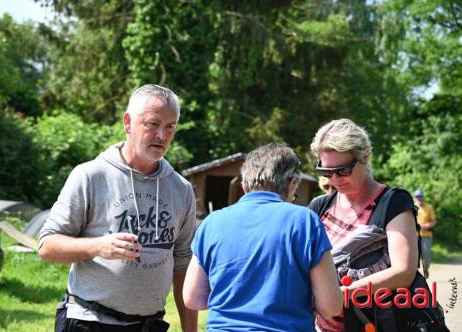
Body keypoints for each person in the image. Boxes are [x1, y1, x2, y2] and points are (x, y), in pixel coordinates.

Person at [39, 84, 198, 332]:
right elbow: (47, 246)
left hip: (149, 325)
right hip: (89, 321)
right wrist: (98, 246)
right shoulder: (90, 175)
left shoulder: (181, 188)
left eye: (170, 127)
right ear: (127, 123)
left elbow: (183, 266)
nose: (162, 136)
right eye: (153, 124)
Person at [183, 142, 343, 331]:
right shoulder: (305, 221)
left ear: (244, 186)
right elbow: (330, 306)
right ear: (292, 184)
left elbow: (193, 299)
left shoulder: (212, 222)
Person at [308, 119, 419, 332]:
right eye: (326, 172)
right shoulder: (319, 207)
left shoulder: (393, 203)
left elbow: (404, 271)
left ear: (365, 156)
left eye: (342, 170)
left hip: (376, 323)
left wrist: (337, 296)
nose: (334, 179)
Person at [413, 188, 436, 278]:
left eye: (420, 196)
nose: (419, 198)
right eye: (417, 197)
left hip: (426, 235)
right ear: (414, 198)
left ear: (423, 197)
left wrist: (426, 226)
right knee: (414, 256)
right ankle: (415, 275)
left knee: (426, 255)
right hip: (414, 236)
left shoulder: (429, 207)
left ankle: (426, 269)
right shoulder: (412, 207)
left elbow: (433, 221)